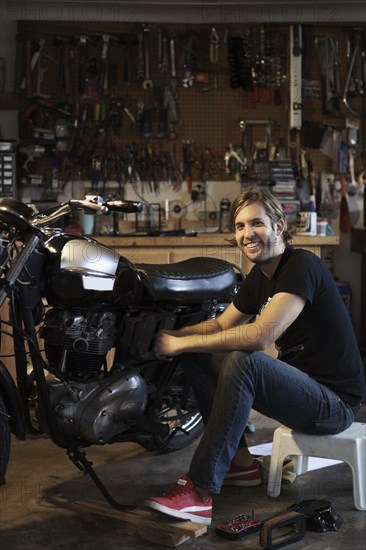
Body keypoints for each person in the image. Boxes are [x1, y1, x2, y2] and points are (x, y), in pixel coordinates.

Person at [144, 187, 366, 525]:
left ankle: (199, 493)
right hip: (304, 393)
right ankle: (241, 465)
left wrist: (181, 344)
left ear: (278, 226)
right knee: (202, 356)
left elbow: (260, 336)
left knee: (244, 360)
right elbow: (221, 324)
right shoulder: (260, 277)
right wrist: (178, 336)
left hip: (336, 405)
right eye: (240, 226)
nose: (247, 234)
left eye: (256, 223)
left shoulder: (301, 265)